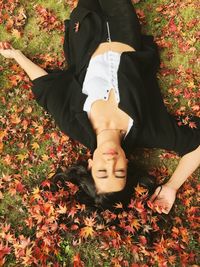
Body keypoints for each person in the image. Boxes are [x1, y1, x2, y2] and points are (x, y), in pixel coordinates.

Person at [0, 0, 199, 214]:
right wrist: (171, 187)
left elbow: (46, 88)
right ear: (127, 164)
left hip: (86, 31)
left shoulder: (74, 124)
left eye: (103, 172)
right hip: (124, 30)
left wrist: (17, 56)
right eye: (120, 172)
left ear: (90, 166)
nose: (111, 162)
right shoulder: (148, 130)